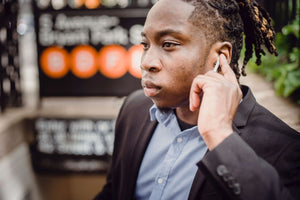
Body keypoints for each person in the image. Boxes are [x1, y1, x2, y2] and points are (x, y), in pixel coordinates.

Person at [93, 0, 300, 199]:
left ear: (220, 57)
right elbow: (114, 192)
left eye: (168, 44)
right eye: (145, 44)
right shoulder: (134, 110)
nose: (147, 62)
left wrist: (219, 135)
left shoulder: (285, 148)